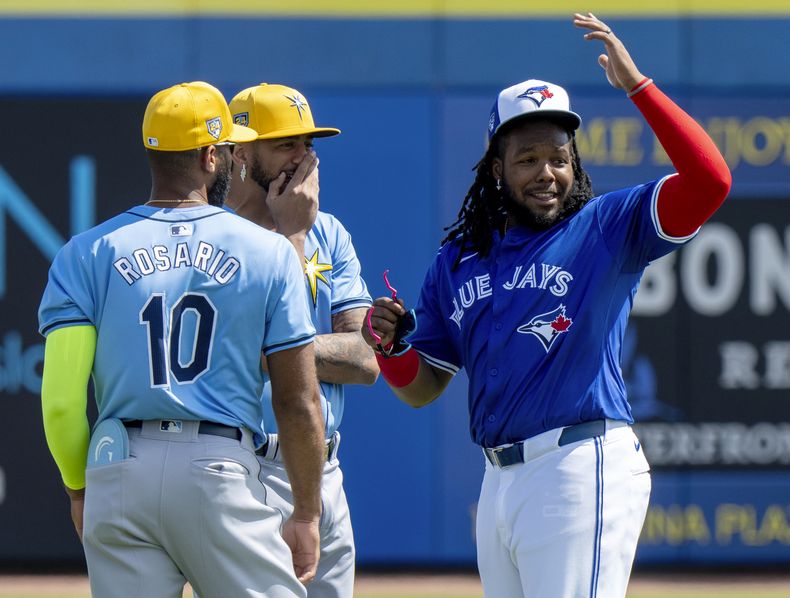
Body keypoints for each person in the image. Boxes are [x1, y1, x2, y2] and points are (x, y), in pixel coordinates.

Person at [363, 13, 731, 598]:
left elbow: (710, 182)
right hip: (499, 483)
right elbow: (422, 386)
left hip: (580, 466)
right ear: (496, 168)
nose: (547, 173)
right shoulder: (458, 260)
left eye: (559, 156)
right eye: (528, 157)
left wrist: (640, 88)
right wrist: (389, 348)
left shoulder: (607, 226)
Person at [38, 81, 326, 598]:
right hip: (217, 468)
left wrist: (81, 490)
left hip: (119, 470)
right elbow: (296, 398)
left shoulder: (84, 253)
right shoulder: (271, 252)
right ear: (212, 156)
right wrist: (306, 511)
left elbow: (60, 404)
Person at [224, 83, 378, 598]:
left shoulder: (329, 232)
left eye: (309, 143)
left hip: (325, 467)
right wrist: (290, 236)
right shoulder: (214, 237)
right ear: (241, 153)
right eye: (286, 144)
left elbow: (364, 359)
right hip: (243, 466)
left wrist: (275, 355)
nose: (306, 156)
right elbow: (236, 356)